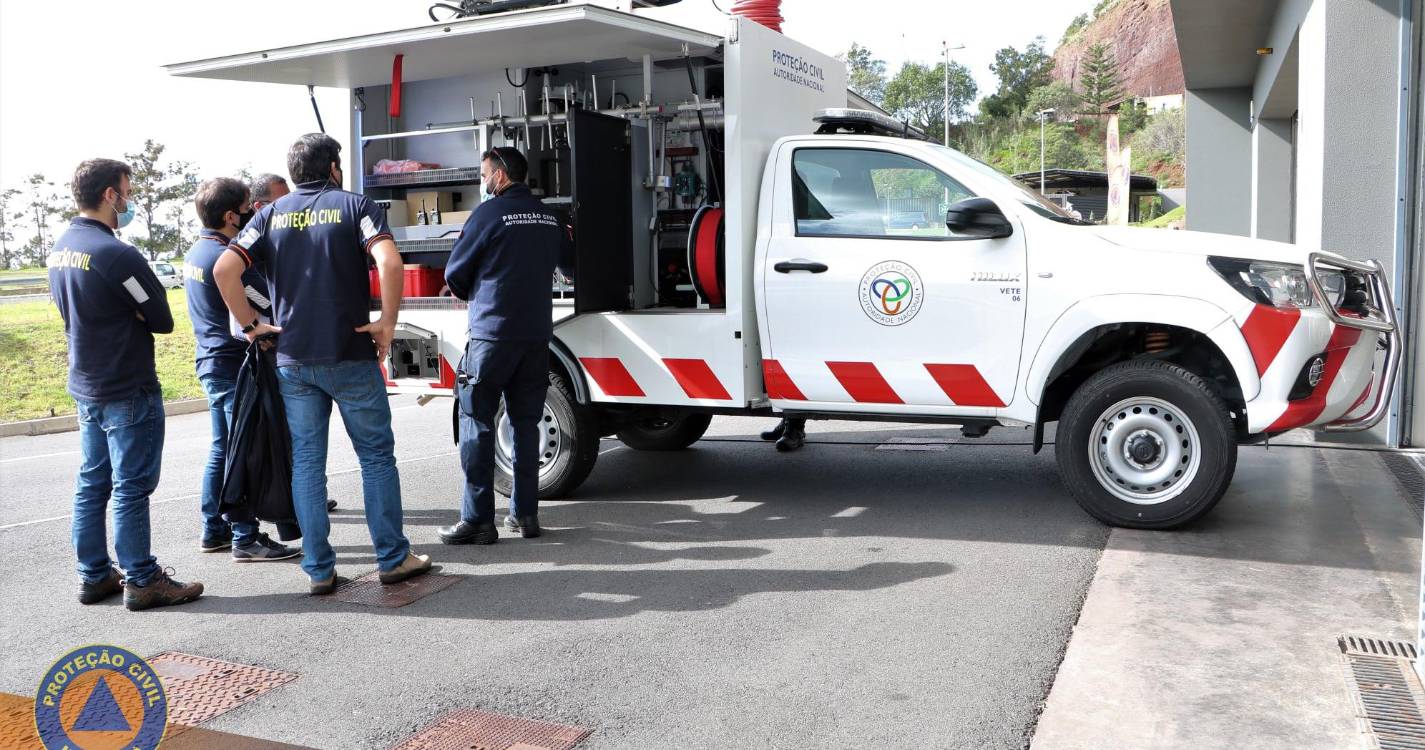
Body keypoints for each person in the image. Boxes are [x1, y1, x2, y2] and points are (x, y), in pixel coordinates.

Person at [213, 133, 431, 594]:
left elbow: (223, 270)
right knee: (375, 457)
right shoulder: (358, 207)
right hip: (349, 353)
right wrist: (386, 323)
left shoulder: (269, 215)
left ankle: (318, 568)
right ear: (334, 165)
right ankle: (393, 558)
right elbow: (390, 264)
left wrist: (251, 326)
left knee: (308, 465)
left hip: (292, 358)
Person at [49, 158, 203, 611]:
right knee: (131, 487)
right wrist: (132, 312)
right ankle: (142, 578)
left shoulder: (61, 248)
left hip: (87, 383)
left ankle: (95, 575)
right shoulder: (117, 254)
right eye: (127, 190)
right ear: (110, 195)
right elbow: (161, 318)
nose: (130, 198)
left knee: (92, 482)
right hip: (127, 384)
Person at [437, 146, 571, 545]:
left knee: (477, 422)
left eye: (484, 174)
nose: (483, 181)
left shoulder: (488, 214)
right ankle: (526, 514)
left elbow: (455, 274)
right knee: (526, 424)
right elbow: (568, 266)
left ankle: (478, 520)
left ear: (499, 175)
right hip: (536, 335)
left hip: (492, 336)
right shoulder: (550, 216)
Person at [185, 177, 300, 561]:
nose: (254, 213)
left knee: (223, 449)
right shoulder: (227, 259)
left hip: (210, 361)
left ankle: (213, 528)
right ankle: (245, 536)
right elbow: (264, 299)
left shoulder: (196, 253)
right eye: (249, 207)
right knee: (246, 452)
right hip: (235, 366)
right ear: (232, 215)